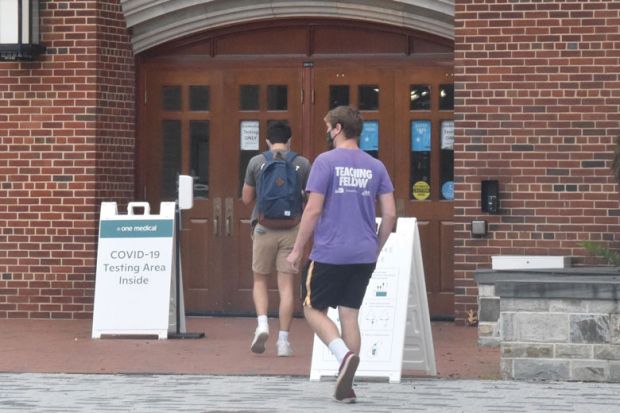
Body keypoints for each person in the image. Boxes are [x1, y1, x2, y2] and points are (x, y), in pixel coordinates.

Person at [286, 106, 396, 403]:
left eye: (326, 126)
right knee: (350, 315)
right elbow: (389, 214)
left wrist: (297, 249)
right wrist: (376, 246)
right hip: (363, 253)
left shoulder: (325, 162)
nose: (326, 131)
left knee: (312, 308)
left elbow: (313, 209)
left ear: (336, 128)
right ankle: (347, 386)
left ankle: (343, 355)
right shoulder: (376, 166)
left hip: (330, 252)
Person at [242, 121, 311, 357]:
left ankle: (262, 324)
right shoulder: (302, 163)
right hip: (292, 228)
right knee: (286, 287)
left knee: (260, 279)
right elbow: (310, 199)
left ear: (268, 141)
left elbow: (246, 199)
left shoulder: (256, 162)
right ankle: (283, 341)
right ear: (290, 140)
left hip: (263, 228)